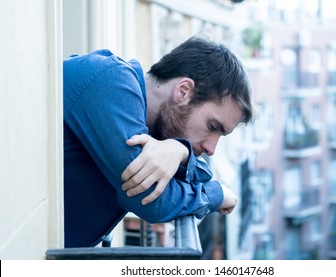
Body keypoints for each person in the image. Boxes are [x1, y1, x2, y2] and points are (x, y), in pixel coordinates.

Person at [63, 35, 254, 248]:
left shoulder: (154, 132)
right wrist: (216, 195)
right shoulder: (110, 81)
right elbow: (151, 199)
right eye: (213, 127)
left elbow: (202, 175)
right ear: (184, 91)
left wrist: (181, 150)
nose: (211, 149)